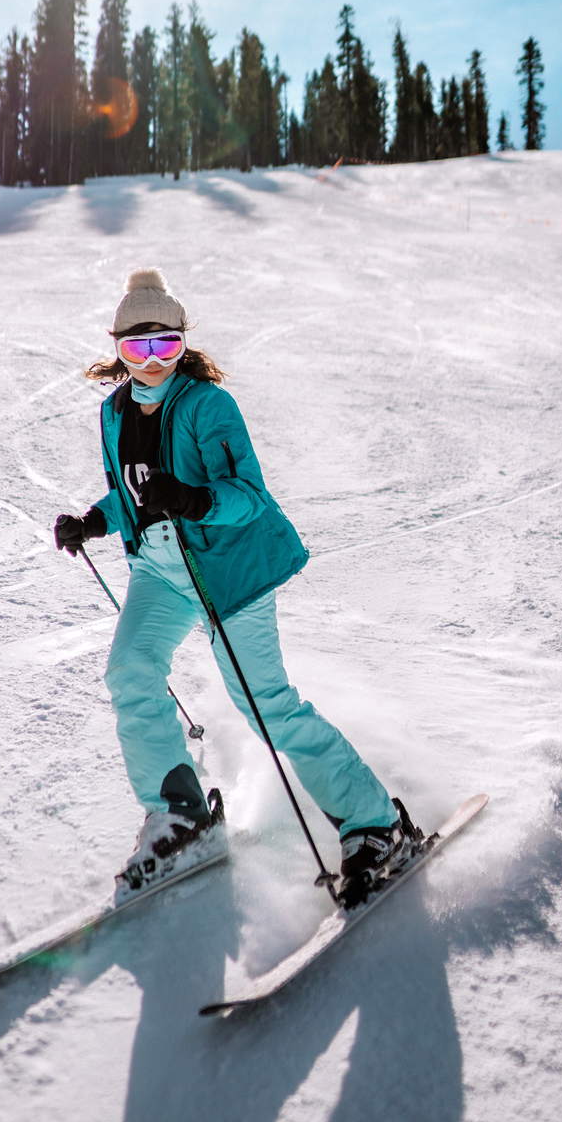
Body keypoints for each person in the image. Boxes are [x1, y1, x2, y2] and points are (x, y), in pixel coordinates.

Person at [54, 266, 411, 907]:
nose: (153, 360)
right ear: (117, 349)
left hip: (228, 570)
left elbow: (249, 497)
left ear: (183, 343)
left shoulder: (208, 406)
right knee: (130, 672)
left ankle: (376, 821)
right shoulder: (113, 413)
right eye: (138, 348)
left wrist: (192, 499)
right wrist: (95, 520)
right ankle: (181, 816)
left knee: (264, 703)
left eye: (166, 345)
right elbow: (132, 490)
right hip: (161, 569)